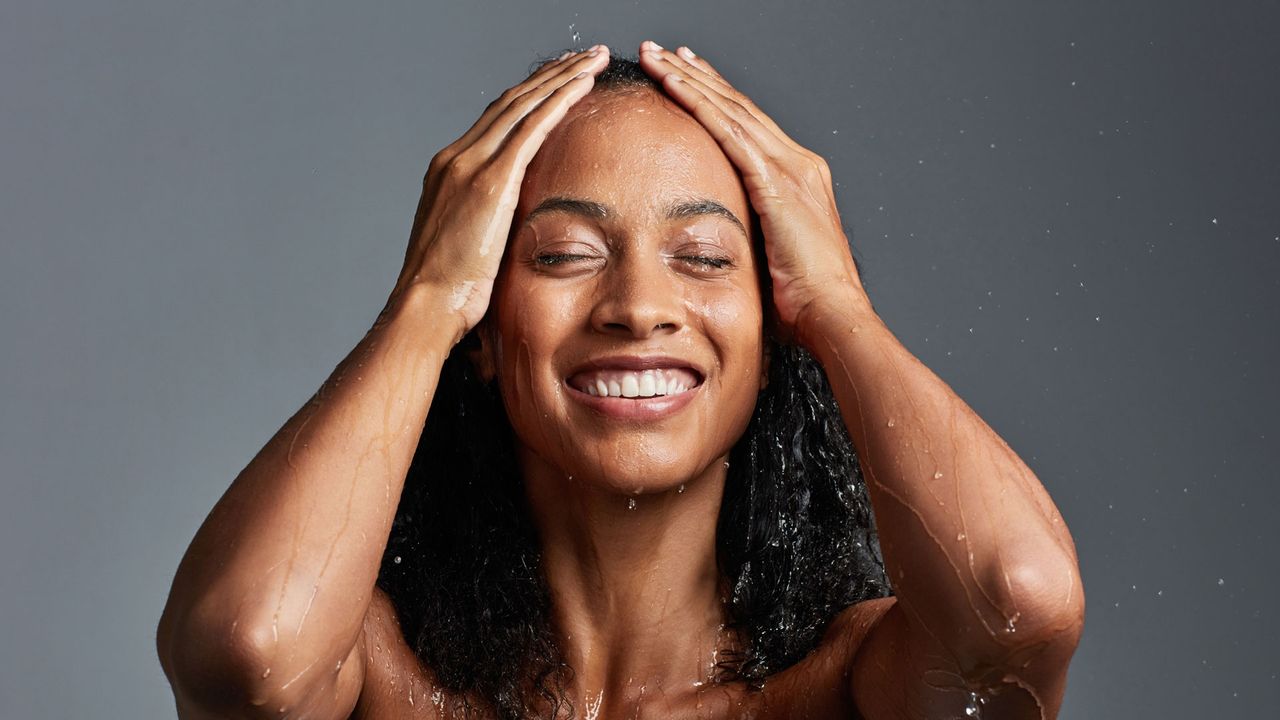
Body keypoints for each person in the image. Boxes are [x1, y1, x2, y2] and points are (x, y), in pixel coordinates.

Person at [156, 41, 1085, 719]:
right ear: (485, 328)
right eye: (564, 254)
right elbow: (249, 649)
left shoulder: (843, 692)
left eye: (704, 258)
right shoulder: (394, 688)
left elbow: (1018, 604)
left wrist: (839, 307)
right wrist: (427, 303)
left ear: (775, 337)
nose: (639, 305)